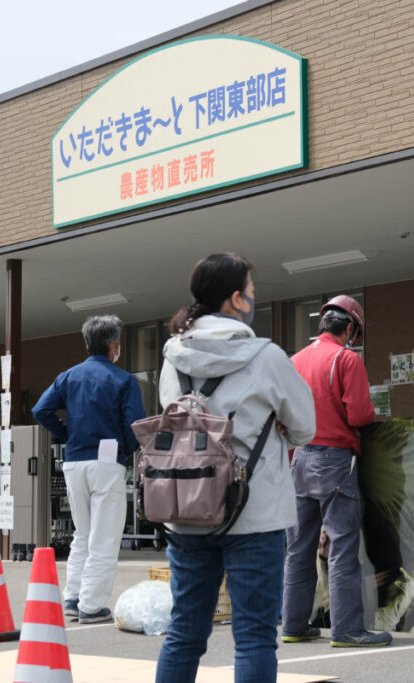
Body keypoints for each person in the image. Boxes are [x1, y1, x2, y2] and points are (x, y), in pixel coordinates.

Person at [154, 253, 316, 682]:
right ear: (235, 300)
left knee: (184, 631)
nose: (253, 299)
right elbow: (304, 428)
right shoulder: (266, 357)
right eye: (251, 293)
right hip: (253, 514)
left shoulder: (173, 357)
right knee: (255, 637)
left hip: (185, 508)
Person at [281, 295, 393, 648]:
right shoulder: (346, 360)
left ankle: (294, 625)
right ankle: (347, 630)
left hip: (299, 459)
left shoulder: (294, 361)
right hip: (335, 461)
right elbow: (359, 415)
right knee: (343, 546)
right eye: (355, 334)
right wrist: (373, 412)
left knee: (298, 548)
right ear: (349, 329)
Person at [32, 315, 146, 624]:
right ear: (113, 346)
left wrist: (67, 433)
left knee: (81, 534)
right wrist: (123, 450)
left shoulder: (68, 376)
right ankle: (92, 606)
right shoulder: (123, 380)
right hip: (106, 463)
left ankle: (73, 597)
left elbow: (40, 410)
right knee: (104, 536)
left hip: (74, 461)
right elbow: (135, 425)